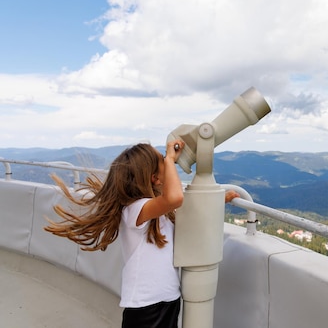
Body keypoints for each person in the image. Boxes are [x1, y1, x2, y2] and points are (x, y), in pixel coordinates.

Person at [45, 140, 239, 328]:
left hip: (166, 299)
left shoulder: (155, 211)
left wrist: (218, 200)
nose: (166, 161)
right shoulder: (134, 210)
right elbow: (175, 198)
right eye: (162, 160)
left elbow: (185, 212)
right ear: (155, 178)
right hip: (146, 306)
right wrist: (171, 159)